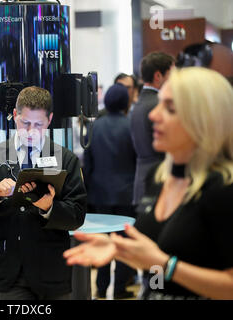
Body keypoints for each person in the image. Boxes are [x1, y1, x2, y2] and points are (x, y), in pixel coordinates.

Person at [64, 67, 233, 300]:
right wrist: (121, 251)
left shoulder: (223, 189)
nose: (153, 115)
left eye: (170, 108)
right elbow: (157, 269)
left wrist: (166, 265)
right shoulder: (159, 177)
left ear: (206, 120)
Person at [0, 86, 87, 300]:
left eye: (39, 125)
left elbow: (77, 216)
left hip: (51, 271)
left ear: (49, 120)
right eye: (25, 123)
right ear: (14, 116)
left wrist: (49, 207)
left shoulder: (66, 160)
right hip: (7, 270)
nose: (31, 132)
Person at [83, 83, 137, 299]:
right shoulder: (131, 125)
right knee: (123, 242)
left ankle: (102, 287)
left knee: (102, 240)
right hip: (127, 193)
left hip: (99, 193)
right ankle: (121, 288)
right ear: (126, 102)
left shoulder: (94, 126)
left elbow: (88, 163)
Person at [130, 52, 175, 206]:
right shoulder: (159, 104)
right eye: (171, 74)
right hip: (159, 179)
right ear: (158, 76)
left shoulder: (137, 104)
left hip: (141, 180)